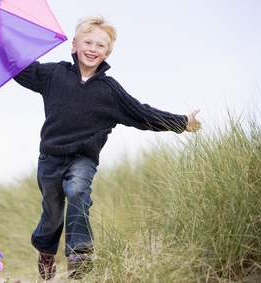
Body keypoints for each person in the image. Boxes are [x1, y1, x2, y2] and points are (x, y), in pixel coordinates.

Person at [13, 16, 201, 280]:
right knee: (53, 214)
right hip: (50, 158)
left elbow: (141, 113)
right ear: (75, 44)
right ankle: (45, 250)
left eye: (100, 45)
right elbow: (19, 68)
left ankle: (80, 255)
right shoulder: (54, 74)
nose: (92, 48)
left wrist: (181, 122)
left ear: (108, 52)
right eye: (87, 42)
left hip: (83, 159)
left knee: (78, 191)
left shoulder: (110, 91)